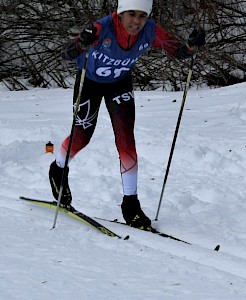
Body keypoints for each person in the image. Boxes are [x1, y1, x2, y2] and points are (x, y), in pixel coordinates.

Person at [48, 0, 205, 231]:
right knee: (81, 137)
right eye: (131, 14)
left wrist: (191, 47)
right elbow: (65, 53)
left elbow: (178, 51)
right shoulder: (103, 28)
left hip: (119, 84)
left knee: (126, 141)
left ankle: (130, 204)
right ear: (120, 13)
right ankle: (58, 169)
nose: (136, 21)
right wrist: (82, 42)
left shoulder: (150, 30)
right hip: (89, 84)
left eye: (142, 15)